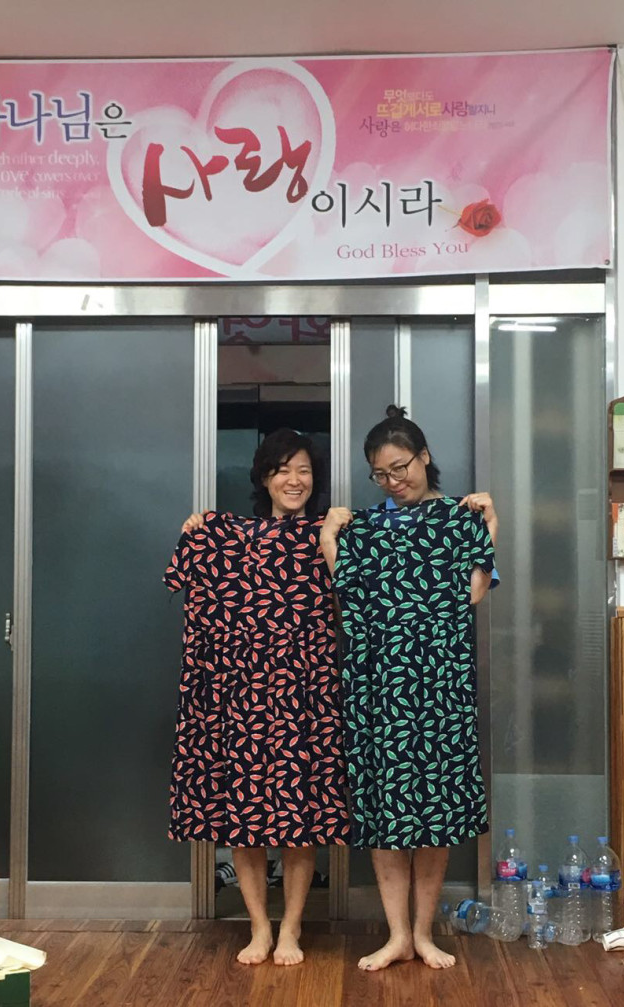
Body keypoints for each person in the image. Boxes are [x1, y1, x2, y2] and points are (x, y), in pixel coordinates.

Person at [320, 405, 498, 972]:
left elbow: (472, 594)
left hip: (441, 685)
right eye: (381, 474)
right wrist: (328, 537)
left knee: (436, 812)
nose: (393, 481)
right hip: (377, 686)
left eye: (400, 468)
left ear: (424, 457)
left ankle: (423, 934)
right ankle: (396, 934)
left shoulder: (458, 518)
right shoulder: (365, 528)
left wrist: (491, 526)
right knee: (384, 813)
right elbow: (346, 595)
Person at [165, 429, 351, 967]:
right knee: (242, 818)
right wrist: (196, 530)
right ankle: (260, 927)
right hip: (239, 696)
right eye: (282, 470)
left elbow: (361, 596)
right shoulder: (218, 536)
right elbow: (177, 578)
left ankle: (292, 927)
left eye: (304, 471)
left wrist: (337, 536)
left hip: (304, 695)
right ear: (264, 478)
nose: (294, 480)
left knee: (300, 818)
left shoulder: (330, 535)